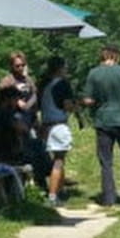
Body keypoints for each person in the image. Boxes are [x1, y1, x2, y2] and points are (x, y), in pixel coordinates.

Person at [81, 44, 120, 209]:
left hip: (104, 121)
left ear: (103, 56)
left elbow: (87, 99)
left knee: (106, 161)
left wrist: (97, 103)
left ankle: (108, 198)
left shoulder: (94, 73)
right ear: (117, 57)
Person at [0, 51, 47, 190]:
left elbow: (35, 98)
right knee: (23, 152)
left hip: (31, 120)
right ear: (12, 66)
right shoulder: (7, 81)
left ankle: (40, 181)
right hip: (15, 121)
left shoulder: (28, 80)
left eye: (23, 65)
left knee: (38, 149)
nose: (20, 68)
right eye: (17, 66)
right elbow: (13, 103)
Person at [38, 56, 78, 205]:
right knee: (59, 160)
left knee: (58, 159)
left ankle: (60, 191)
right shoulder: (62, 84)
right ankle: (53, 195)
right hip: (59, 124)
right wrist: (76, 106)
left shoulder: (44, 84)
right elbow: (67, 105)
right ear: (60, 68)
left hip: (46, 124)